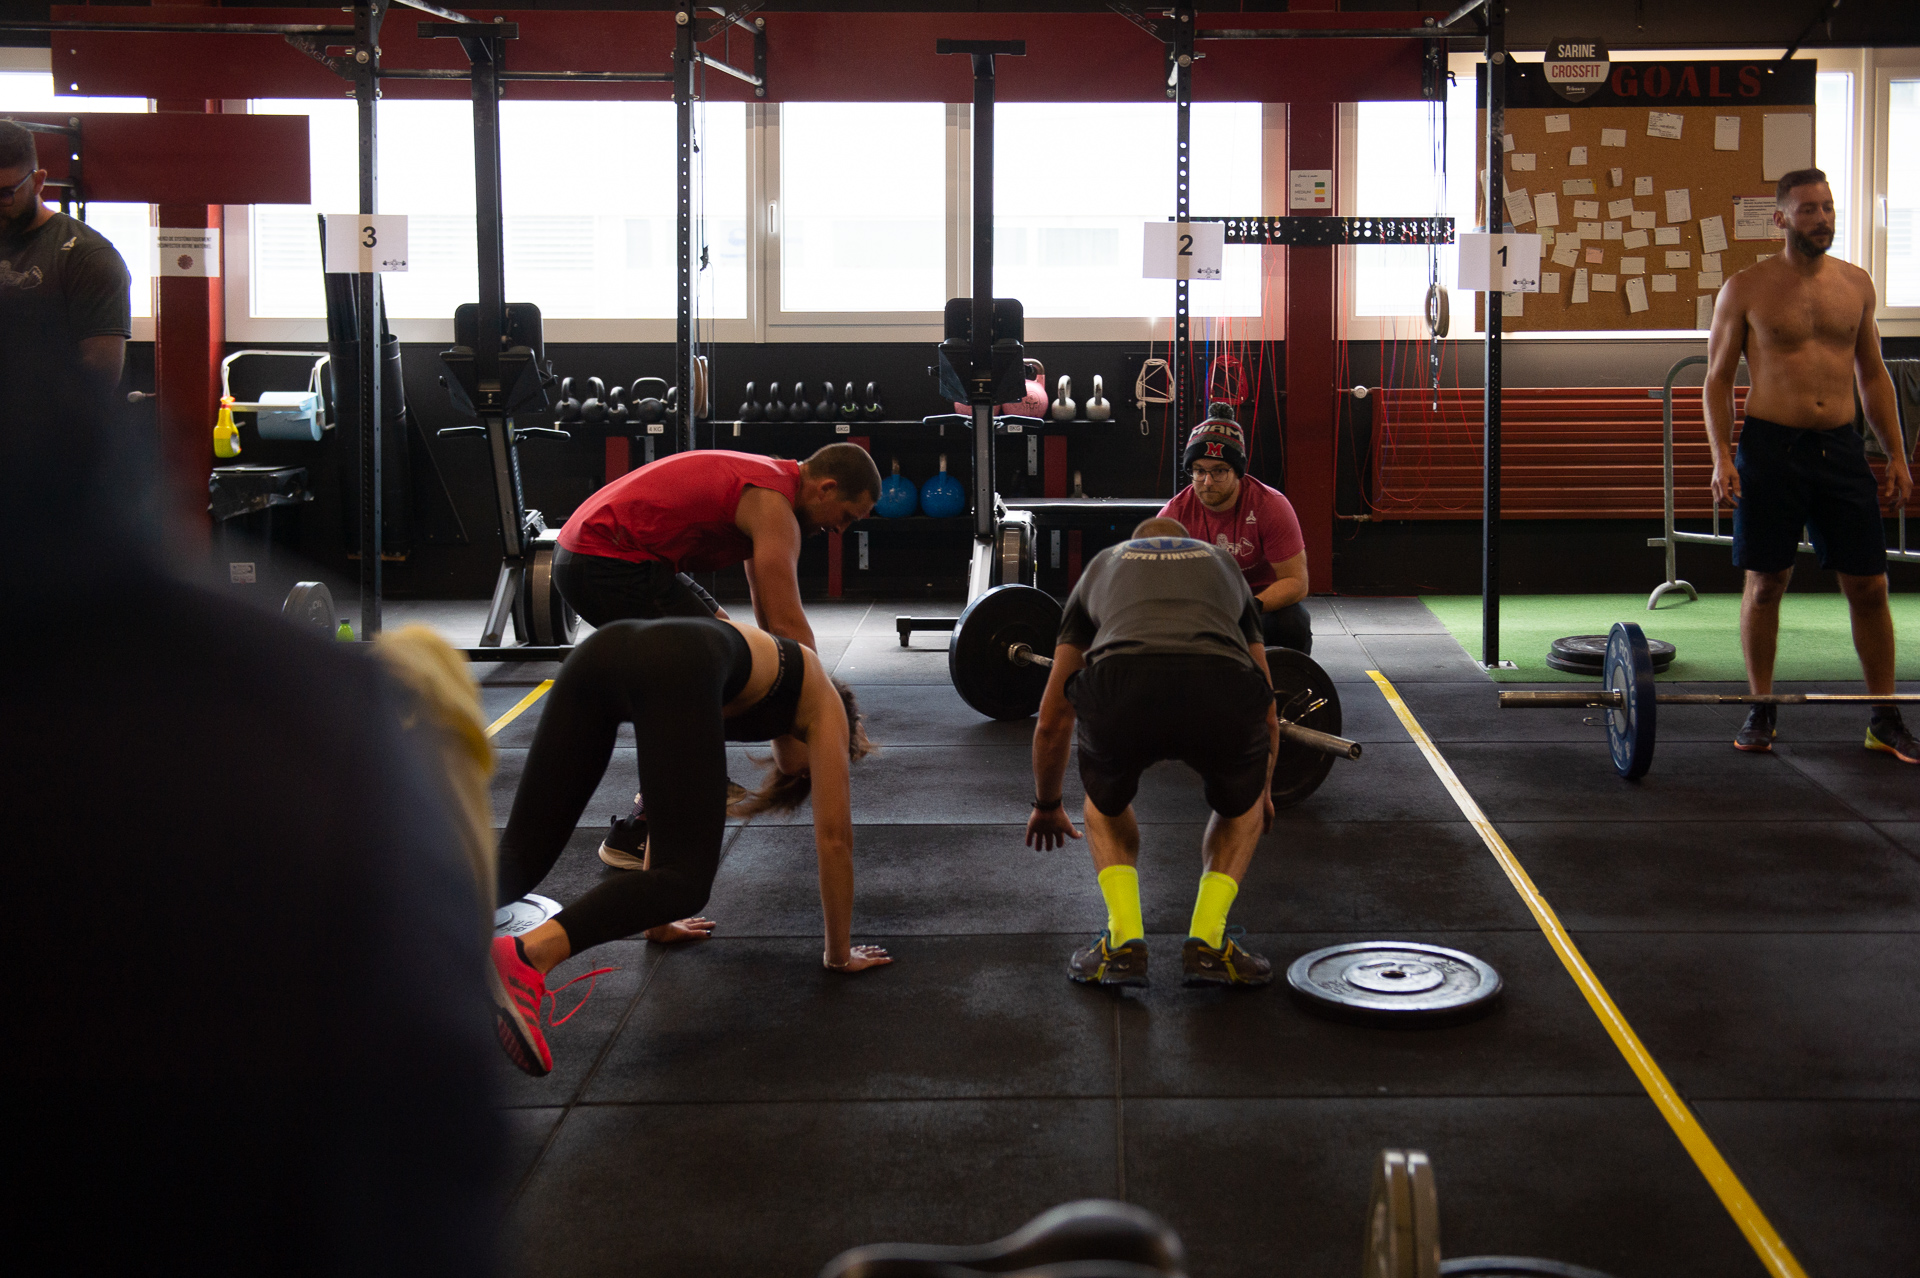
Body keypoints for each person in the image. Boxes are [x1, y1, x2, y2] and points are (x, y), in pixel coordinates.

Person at [488, 615, 888, 1077]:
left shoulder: (748, 687)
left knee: (521, 858)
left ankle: (404, 945)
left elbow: (670, 796)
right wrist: (839, 954)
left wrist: (658, 925)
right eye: (812, 771)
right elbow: (835, 839)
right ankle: (526, 956)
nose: (803, 774)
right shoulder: (825, 699)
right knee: (687, 880)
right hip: (671, 661)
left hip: (600, 652)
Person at [554, 443, 881, 865]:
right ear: (826, 488)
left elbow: (766, 611)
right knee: (701, 675)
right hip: (605, 560)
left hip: (615, 556)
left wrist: (793, 708)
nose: (839, 530)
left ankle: (666, 800)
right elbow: (788, 626)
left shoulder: (770, 486)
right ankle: (640, 828)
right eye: (846, 517)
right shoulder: (775, 507)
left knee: (723, 639)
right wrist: (818, 706)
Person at [1705, 167, 1917, 761]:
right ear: (1780, 219)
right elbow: (1717, 380)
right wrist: (1722, 456)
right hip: (1771, 450)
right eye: (1807, 210)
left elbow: (1872, 374)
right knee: (1767, 583)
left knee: (1870, 586)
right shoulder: (1745, 289)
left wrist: (1897, 453)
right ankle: (1761, 707)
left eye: (1827, 208)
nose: (1822, 219)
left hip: (1840, 450)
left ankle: (1883, 717)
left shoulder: (1856, 284)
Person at [1025, 517, 1280, 989]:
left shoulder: (1101, 567)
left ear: (1132, 548)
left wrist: (1046, 804)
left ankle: (1122, 943)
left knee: (1105, 804)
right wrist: (1260, 790)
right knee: (1240, 808)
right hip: (1221, 685)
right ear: (1189, 545)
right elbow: (1265, 703)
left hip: (1122, 686)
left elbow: (1052, 717)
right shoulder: (1224, 564)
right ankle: (1209, 943)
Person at [0, 118, 131, 432]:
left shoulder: (87, 256)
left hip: (44, 445)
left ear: (39, 181)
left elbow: (99, 377)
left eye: (5, 194)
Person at [1156, 406, 1312, 654]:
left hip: (1259, 604)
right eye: (1199, 471)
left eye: (1218, 471)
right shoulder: (1174, 514)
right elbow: (1155, 581)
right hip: (1203, 608)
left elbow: (1296, 582)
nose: (1207, 482)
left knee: (1293, 622)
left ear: (1238, 472)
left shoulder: (1271, 506)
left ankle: (1284, 685)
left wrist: (1247, 607)